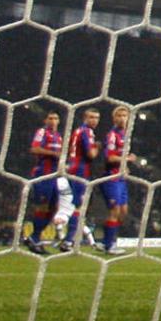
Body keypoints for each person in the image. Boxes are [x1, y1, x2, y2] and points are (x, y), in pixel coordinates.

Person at [97, 105, 136, 256]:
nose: (122, 118)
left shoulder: (125, 135)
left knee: (123, 212)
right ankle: (110, 245)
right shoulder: (112, 135)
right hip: (110, 177)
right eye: (119, 116)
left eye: (124, 116)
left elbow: (119, 157)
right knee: (115, 210)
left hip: (121, 178)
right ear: (114, 118)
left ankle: (105, 241)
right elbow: (110, 157)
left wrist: (125, 167)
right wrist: (128, 159)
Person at [60, 108, 100, 252]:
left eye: (96, 118)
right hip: (80, 171)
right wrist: (97, 147)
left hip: (72, 168)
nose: (94, 120)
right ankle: (68, 241)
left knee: (77, 206)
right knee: (79, 207)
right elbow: (91, 154)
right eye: (91, 117)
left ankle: (69, 240)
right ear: (85, 118)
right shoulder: (87, 132)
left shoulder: (77, 131)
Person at [25, 110, 63, 255]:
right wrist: (53, 154)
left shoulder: (59, 136)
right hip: (43, 174)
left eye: (56, 118)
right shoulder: (42, 132)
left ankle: (34, 237)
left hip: (54, 176)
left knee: (54, 208)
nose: (53, 121)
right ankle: (35, 239)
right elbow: (34, 148)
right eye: (50, 118)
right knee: (42, 207)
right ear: (45, 120)